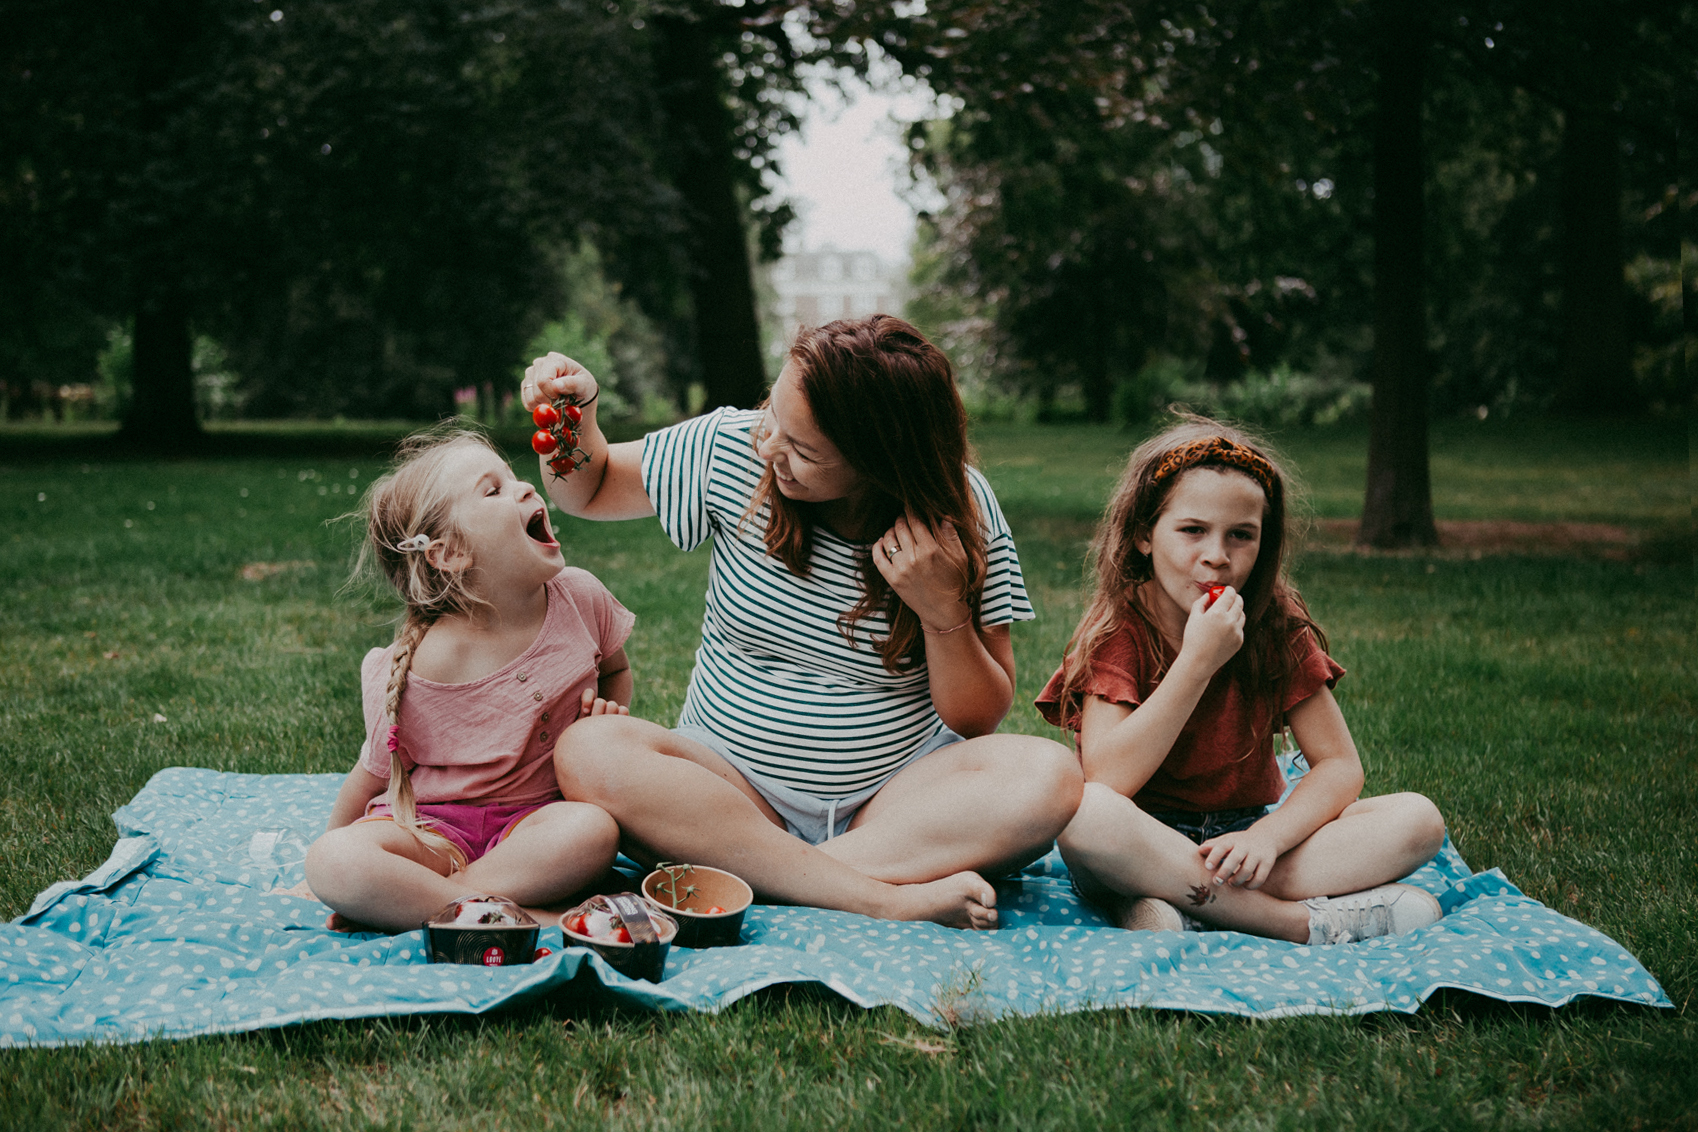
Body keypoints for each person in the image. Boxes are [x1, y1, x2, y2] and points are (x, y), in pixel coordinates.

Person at [520, 315, 1081, 930]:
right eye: (773, 418)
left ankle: (764, 875)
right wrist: (576, 418)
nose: (768, 447)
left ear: (883, 463)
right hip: (730, 789)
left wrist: (941, 611)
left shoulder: (963, 514)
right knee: (589, 749)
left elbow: (978, 718)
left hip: (893, 804)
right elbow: (590, 487)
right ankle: (874, 895)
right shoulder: (730, 450)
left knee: (1047, 774)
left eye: (804, 450)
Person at [1037, 417, 1448, 944]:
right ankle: (1294, 923)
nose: (1217, 555)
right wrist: (1197, 662)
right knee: (1085, 816)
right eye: (1192, 530)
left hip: (1246, 843)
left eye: (1241, 535)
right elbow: (1109, 779)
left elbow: (1340, 766)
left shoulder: (1273, 623)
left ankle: (1184, 907)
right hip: (1140, 841)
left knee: (1418, 820)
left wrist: (1269, 837)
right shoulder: (1120, 631)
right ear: (1144, 534)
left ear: (1263, 542)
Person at [303, 428, 633, 932]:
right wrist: (327, 861)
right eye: (493, 490)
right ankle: (524, 917)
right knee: (332, 860)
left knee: (593, 831)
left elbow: (616, 670)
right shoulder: (417, 667)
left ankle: (441, 907)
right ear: (450, 553)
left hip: (534, 827)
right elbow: (371, 773)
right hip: (430, 832)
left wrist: (606, 724)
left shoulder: (579, 599)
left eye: (513, 477)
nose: (525, 487)